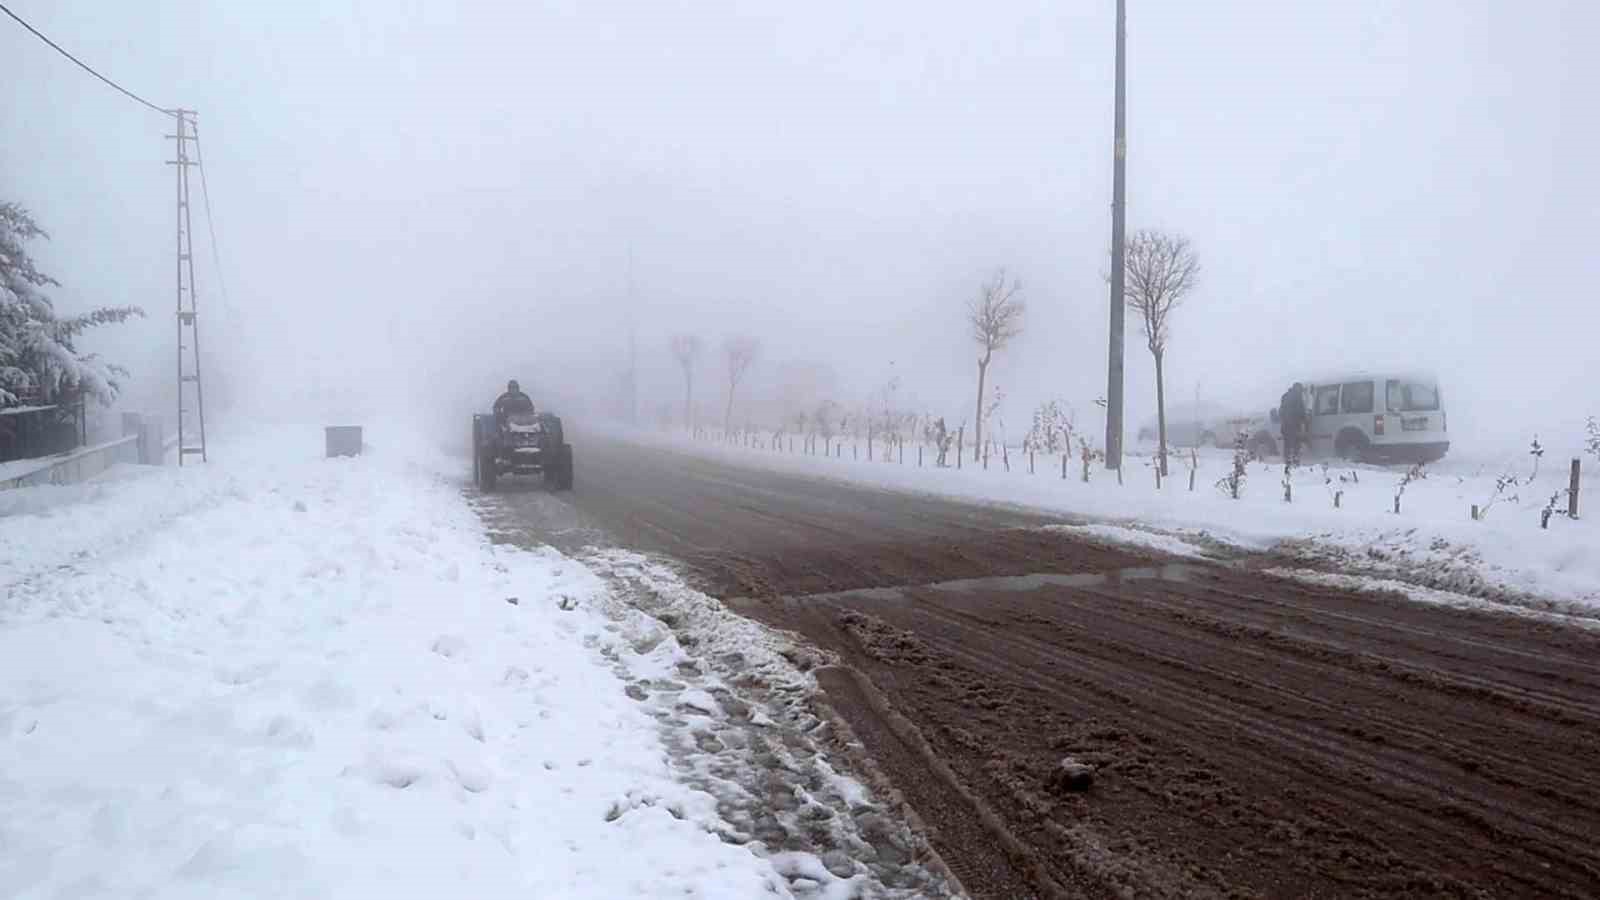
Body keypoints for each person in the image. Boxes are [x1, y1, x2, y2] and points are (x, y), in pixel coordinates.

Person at [1278, 382, 1307, 461]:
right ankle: (1295, 460)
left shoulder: (1285, 396)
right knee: (1296, 444)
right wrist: (1305, 419)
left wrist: (1283, 420)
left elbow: (1281, 411)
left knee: (1287, 444)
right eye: (1301, 389)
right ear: (1298, 389)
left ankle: (1287, 459)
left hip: (1285, 426)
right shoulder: (1297, 397)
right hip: (1294, 425)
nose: (1301, 391)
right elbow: (1300, 410)